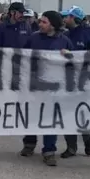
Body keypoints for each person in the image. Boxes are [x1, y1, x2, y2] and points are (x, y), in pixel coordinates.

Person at [24, 10, 73, 166]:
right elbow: (21, 56)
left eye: (44, 22)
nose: (40, 24)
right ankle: (29, 144)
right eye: (40, 21)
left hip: (54, 87)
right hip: (35, 85)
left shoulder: (64, 41)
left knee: (50, 118)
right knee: (32, 115)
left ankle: (49, 150)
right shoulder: (33, 38)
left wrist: (69, 55)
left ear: (53, 24)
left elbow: (76, 61)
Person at [0, 2, 34, 156]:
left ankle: (29, 143)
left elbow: (30, 46)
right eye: (20, 12)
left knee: (26, 105)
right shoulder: (2, 27)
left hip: (24, 70)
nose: (22, 15)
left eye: (23, 12)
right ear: (12, 13)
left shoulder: (26, 27)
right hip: (6, 69)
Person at [60, 5, 90, 158]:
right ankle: (71, 147)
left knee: (82, 114)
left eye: (66, 17)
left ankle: (87, 140)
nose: (64, 19)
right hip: (67, 80)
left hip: (85, 81)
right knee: (67, 114)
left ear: (73, 18)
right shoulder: (64, 35)